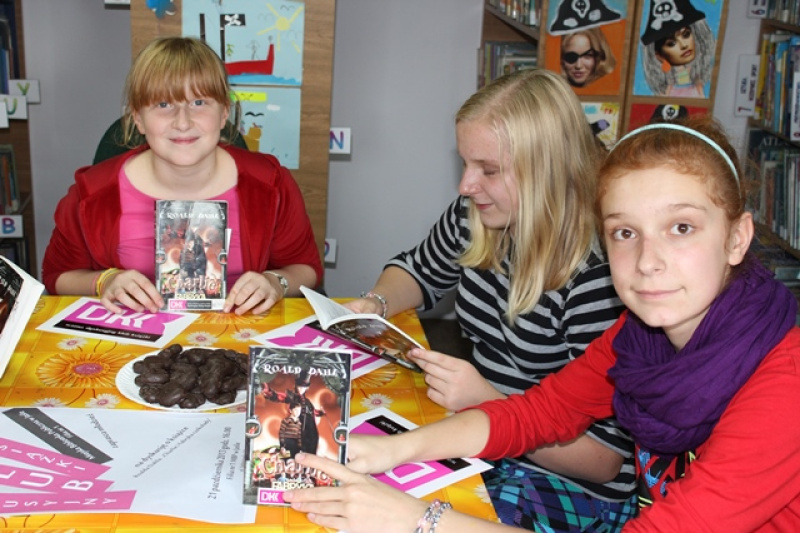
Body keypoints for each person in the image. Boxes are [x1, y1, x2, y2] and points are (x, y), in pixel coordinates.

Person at [284, 116, 800, 532]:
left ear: (737, 238)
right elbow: (536, 414)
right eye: (625, 233)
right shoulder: (638, 336)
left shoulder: (786, 385)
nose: (647, 261)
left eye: (681, 227)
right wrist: (388, 450)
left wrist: (420, 520)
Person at [342, 68, 636, 531]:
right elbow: (418, 270)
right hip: (486, 435)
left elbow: (604, 462)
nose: (465, 185)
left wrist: (488, 400)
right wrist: (376, 302)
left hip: (571, 485)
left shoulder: (599, 277)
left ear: (546, 169)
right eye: (465, 163)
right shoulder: (479, 214)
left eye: (489, 170)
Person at [41, 37, 322, 315]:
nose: (183, 122)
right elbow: (57, 276)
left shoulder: (271, 184)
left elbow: (306, 269)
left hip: (239, 333)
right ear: (138, 118)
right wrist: (104, 281)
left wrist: (275, 282)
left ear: (224, 112)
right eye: (163, 105)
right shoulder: (92, 192)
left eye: (199, 102)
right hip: (133, 336)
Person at [639, 0, 715, 98]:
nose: (683, 45)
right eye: (671, 43)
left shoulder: (700, 78)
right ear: (658, 55)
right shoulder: (668, 85)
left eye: (686, 34)